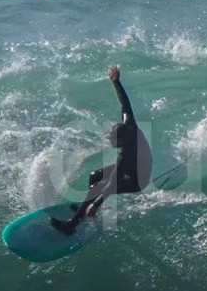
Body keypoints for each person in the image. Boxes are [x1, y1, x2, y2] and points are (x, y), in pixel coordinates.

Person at [52, 66, 152, 234]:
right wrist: (116, 81)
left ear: (122, 141)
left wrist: (96, 204)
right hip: (135, 166)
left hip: (138, 179)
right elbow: (125, 104)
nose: (109, 140)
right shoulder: (129, 124)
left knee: (100, 186)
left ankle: (72, 225)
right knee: (95, 176)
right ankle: (87, 208)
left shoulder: (126, 154)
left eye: (113, 139)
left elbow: (112, 185)